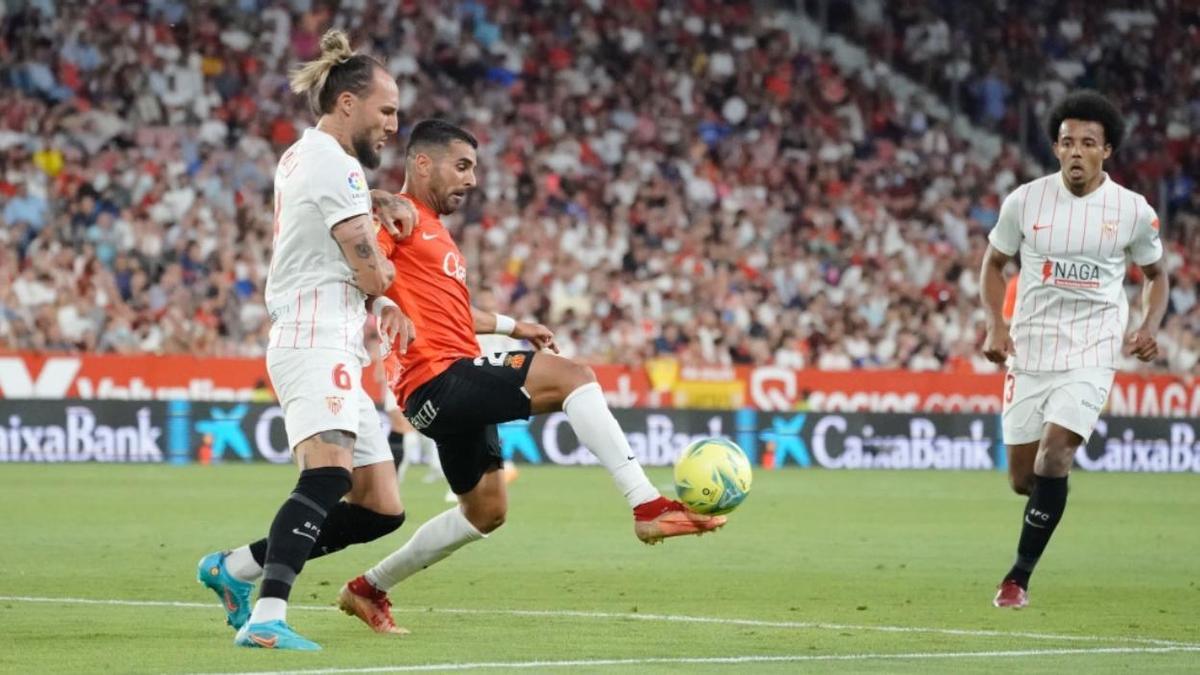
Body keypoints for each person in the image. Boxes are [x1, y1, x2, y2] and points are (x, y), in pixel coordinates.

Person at [333, 119, 727, 633]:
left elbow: (452, 315)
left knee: (486, 511)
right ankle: (646, 504)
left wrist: (516, 326)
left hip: (443, 383)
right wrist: (383, 299)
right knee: (575, 377)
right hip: (439, 377)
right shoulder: (399, 218)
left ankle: (367, 588)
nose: (472, 178)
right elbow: (365, 269)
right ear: (422, 163)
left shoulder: (433, 229)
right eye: (462, 165)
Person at [195, 30, 419, 650]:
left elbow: (324, 225)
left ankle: (235, 568)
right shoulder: (332, 162)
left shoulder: (307, 156)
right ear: (347, 103)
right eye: (386, 111)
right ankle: (267, 619)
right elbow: (368, 265)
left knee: (380, 506)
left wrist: (371, 201)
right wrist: (391, 283)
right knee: (325, 477)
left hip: (337, 339)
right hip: (313, 335)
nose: (393, 126)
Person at [980, 90, 1168, 609]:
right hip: (1031, 350)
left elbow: (1157, 276)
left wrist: (1150, 323)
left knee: (1056, 454)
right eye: (1068, 142)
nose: (1077, 151)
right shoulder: (1025, 201)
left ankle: (1017, 578)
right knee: (1025, 480)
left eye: (1089, 142)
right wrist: (996, 325)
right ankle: (1049, 500)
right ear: (1056, 148)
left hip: (1093, 349)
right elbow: (993, 265)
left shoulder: (1132, 211)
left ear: (1107, 150)